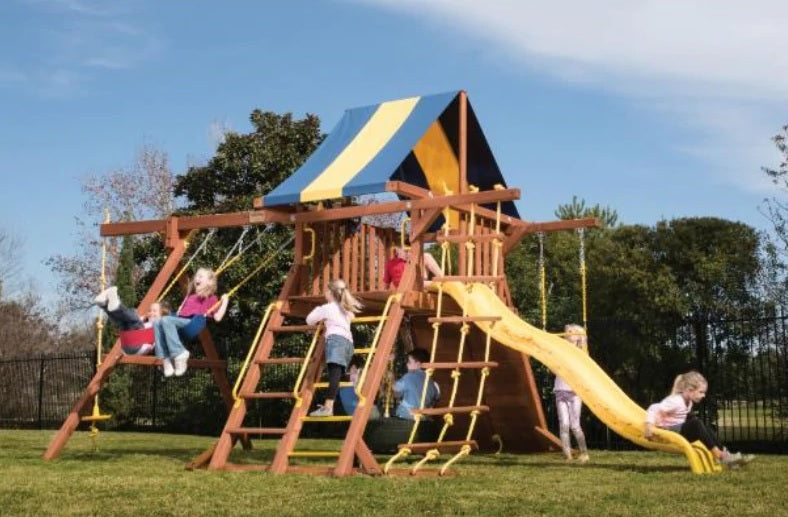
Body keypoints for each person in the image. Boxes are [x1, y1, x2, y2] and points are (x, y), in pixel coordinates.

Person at [645, 370, 754, 467]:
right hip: (667, 430)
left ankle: (726, 455)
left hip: (677, 430)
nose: (703, 395)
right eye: (701, 392)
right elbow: (654, 408)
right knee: (696, 423)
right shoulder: (676, 401)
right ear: (689, 390)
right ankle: (719, 455)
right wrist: (649, 426)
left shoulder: (688, 402)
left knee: (704, 426)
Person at [153, 267, 229, 378]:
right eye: (196, 276)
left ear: (209, 282)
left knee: (165, 320)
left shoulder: (211, 298)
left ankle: (180, 352)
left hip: (193, 323)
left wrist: (225, 301)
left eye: (200, 276)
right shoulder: (190, 297)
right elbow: (180, 314)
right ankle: (166, 360)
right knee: (157, 322)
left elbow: (218, 317)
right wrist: (180, 309)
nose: (196, 278)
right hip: (181, 322)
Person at [306, 279, 363, 417]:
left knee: (334, 375)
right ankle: (331, 405)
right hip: (348, 343)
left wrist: (322, 316)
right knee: (337, 375)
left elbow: (309, 319)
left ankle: (328, 407)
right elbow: (352, 316)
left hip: (336, 341)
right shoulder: (345, 309)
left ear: (330, 293)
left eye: (326, 290)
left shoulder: (327, 308)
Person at [93, 286, 169, 355]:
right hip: (127, 345)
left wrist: (153, 346)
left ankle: (117, 306)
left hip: (138, 346)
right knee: (121, 322)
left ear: (162, 315)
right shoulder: (146, 323)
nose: (151, 313)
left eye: (154, 311)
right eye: (150, 311)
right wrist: (143, 318)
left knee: (134, 319)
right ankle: (104, 304)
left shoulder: (160, 325)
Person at [554, 324, 590, 462]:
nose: (567, 333)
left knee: (575, 425)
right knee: (563, 424)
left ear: (577, 336)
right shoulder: (561, 350)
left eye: (571, 332)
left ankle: (584, 452)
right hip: (560, 390)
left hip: (574, 392)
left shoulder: (581, 353)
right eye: (566, 332)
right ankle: (567, 454)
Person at [391, 347, 440, 420]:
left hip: (406, 417)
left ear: (418, 364)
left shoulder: (409, 377)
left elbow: (396, 393)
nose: (407, 364)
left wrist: (391, 378)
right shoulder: (433, 382)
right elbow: (436, 399)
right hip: (424, 419)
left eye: (409, 362)